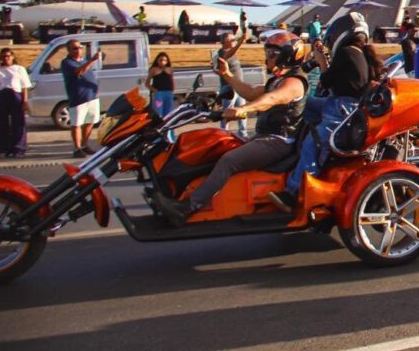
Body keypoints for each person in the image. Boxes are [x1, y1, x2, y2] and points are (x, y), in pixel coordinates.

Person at [154, 32, 309, 226]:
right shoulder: (277, 80)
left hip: (278, 141)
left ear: (288, 55)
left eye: (272, 53)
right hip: (263, 137)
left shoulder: (294, 83)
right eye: (267, 52)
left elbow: (271, 99)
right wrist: (227, 75)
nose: (267, 57)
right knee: (216, 144)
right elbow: (251, 93)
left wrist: (244, 109)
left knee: (229, 160)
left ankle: (188, 208)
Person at [272, 13, 373, 211]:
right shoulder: (356, 52)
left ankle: (293, 192)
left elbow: (326, 81)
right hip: (338, 104)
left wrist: (321, 61)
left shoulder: (346, 52)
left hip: (343, 109)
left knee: (313, 142)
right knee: (304, 104)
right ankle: (294, 139)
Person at [61, 40, 102, 158]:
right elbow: (79, 71)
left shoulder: (83, 60)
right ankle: (77, 148)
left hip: (91, 96)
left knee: (90, 121)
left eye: (79, 47)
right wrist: (93, 60)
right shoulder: (67, 62)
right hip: (78, 97)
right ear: (69, 50)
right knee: (77, 123)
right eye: (74, 48)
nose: (78, 50)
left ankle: (85, 144)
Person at [0, 48, 32, 157]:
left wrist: (25, 101)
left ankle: (18, 148)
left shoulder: (19, 69)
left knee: (18, 123)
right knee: (1, 123)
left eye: (8, 56)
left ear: (13, 57)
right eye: (4, 56)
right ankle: (2, 148)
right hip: (2, 95)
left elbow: (25, 87)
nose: (6, 58)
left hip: (15, 94)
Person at [217, 31, 249, 136]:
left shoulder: (232, 52)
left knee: (242, 111)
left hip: (238, 87)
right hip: (229, 89)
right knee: (227, 113)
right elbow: (230, 53)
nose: (234, 42)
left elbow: (233, 52)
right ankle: (224, 133)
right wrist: (240, 42)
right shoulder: (221, 53)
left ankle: (243, 133)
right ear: (226, 42)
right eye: (233, 40)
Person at [145, 52, 176, 141]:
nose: (163, 62)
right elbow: (147, 83)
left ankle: (169, 136)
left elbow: (172, 80)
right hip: (159, 94)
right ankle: (157, 138)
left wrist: (173, 89)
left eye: (165, 60)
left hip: (168, 93)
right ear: (157, 60)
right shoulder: (154, 70)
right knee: (159, 115)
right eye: (161, 60)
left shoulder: (169, 69)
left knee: (169, 115)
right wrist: (154, 90)